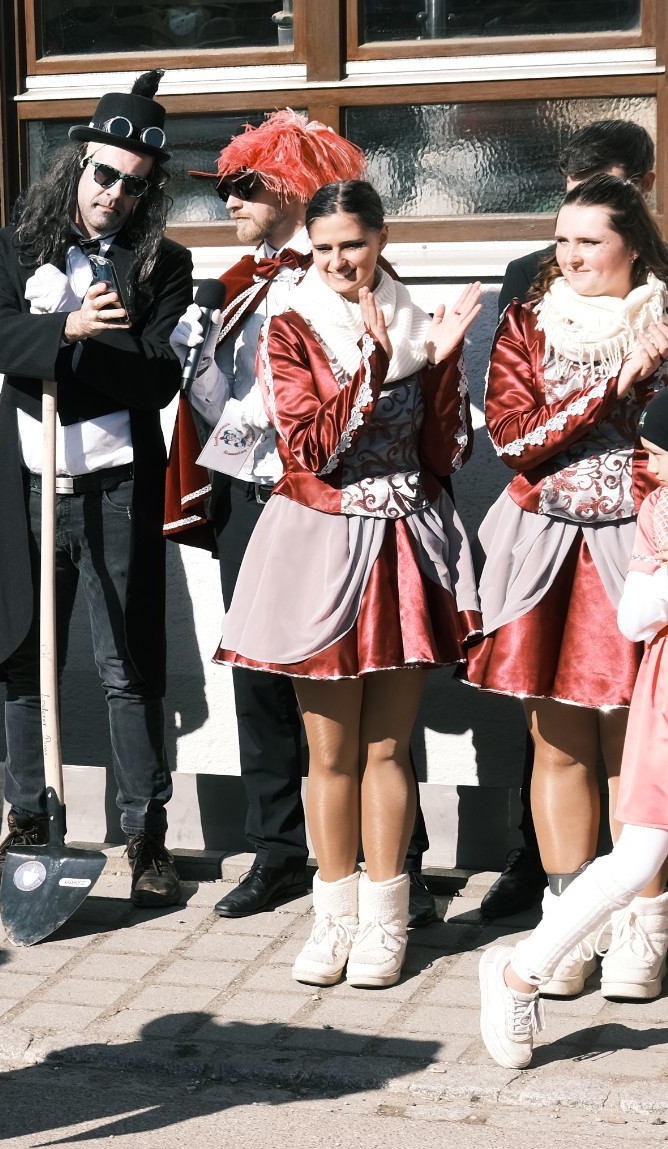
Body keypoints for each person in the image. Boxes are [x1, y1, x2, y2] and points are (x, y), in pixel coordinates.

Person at [214, 182, 480, 989]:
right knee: (329, 752)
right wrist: (374, 362)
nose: (337, 261)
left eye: (353, 245)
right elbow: (310, 451)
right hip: (321, 545)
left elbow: (446, 456)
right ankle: (332, 917)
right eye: (324, 247)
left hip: (404, 547)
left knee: (387, 747)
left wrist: (441, 366)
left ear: (381, 239)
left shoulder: (419, 321)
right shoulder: (290, 325)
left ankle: (385, 919)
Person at [0, 73, 192, 908]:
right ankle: (28, 822)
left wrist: (83, 339)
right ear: (78, 166)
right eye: (105, 175)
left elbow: (158, 377)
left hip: (116, 486)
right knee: (25, 659)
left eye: (135, 186)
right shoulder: (15, 247)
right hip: (32, 485)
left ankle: (145, 834)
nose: (115, 196)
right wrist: (59, 325)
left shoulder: (163, 263)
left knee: (126, 665)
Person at [467, 174, 668, 999]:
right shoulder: (527, 320)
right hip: (546, 547)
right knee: (557, 742)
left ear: (633, 246)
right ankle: (568, 926)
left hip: (641, 548)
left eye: (590, 241)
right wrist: (611, 385)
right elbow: (514, 440)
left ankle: (642, 928)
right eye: (562, 240)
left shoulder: (666, 318)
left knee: (633, 747)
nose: (572, 256)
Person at [168, 112, 369, 920]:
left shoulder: (341, 277)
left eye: (243, 187)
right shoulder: (234, 284)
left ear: (288, 186)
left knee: (346, 676)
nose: (229, 203)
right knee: (256, 678)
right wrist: (194, 363)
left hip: (325, 500)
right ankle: (277, 851)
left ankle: (388, 857)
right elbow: (221, 413)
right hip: (250, 499)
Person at [482, 394, 668, 1063]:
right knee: (638, 856)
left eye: (658, 454)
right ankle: (517, 974)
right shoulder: (660, 509)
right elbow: (635, 616)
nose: (648, 464)